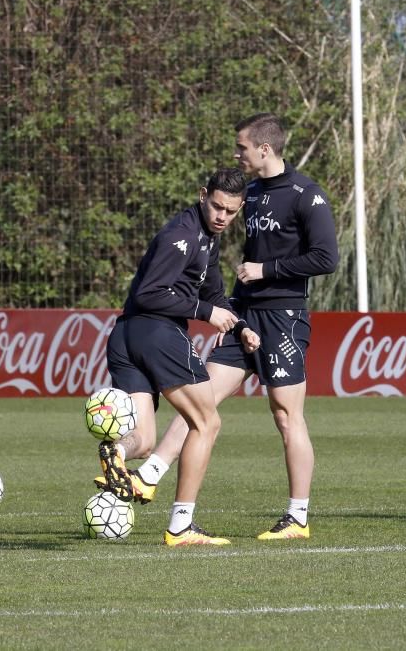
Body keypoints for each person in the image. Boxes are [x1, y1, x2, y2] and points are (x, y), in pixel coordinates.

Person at [95, 114, 338, 541]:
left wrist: (266, 269)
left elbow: (326, 258)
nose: (236, 153)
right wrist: (234, 316)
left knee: (286, 415)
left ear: (264, 148)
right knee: (200, 398)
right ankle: (148, 475)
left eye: (242, 146)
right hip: (246, 314)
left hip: (283, 316)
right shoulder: (251, 193)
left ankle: (297, 516)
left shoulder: (306, 194)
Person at [101, 167, 259, 546]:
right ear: (203, 194)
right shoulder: (182, 235)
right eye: (218, 207)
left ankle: (116, 452)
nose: (223, 216)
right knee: (207, 423)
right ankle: (181, 526)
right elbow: (149, 294)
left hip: (126, 336)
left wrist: (239, 327)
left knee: (142, 438)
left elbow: (216, 296)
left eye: (232, 212)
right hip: (156, 332)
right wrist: (204, 314)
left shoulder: (206, 237)